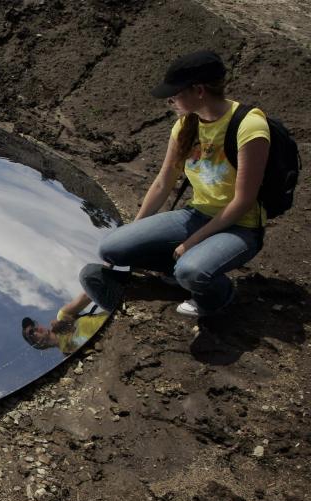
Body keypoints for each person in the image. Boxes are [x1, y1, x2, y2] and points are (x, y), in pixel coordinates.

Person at [97, 50, 270, 317]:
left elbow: (243, 201)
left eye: (175, 94)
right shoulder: (185, 125)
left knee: (191, 271)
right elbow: (163, 182)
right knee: (112, 248)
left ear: (199, 91)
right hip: (196, 214)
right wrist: (131, 233)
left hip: (240, 227)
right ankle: (181, 268)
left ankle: (219, 294)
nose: (171, 100)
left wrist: (191, 242)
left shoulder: (249, 127)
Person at [21, 292, 110, 355]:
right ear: (38, 344)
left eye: (34, 324)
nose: (35, 328)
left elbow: (88, 293)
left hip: (115, 318)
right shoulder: (69, 356)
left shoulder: (62, 317)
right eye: (31, 332)